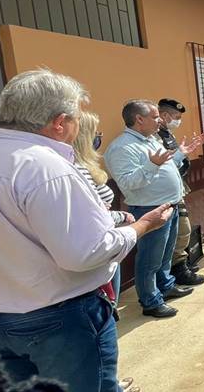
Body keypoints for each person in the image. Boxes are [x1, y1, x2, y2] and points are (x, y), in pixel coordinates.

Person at [0, 70, 173, 390]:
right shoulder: (47, 168)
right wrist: (142, 226)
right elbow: (85, 252)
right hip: (60, 320)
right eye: (77, 115)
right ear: (60, 122)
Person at [105, 100, 202, 317]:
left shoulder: (150, 140)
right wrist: (153, 165)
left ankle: (165, 286)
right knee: (150, 258)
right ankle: (150, 301)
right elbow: (128, 182)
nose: (161, 120)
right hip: (150, 210)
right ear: (139, 119)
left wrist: (179, 155)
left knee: (165, 253)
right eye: (156, 116)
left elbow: (164, 166)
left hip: (170, 204)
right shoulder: (122, 147)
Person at [71, 112, 135, 297]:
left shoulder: (86, 165)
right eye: (95, 133)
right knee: (106, 301)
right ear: (83, 137)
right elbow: (91, 213)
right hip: (97, 245)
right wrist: (122, 216)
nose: (99, 137)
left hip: (106, 242)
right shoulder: (77, 169)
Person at [157, 99, 204, 286]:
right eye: (176, 117)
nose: (178, 121)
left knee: (181, 230)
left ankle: (180, 266)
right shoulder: (156, 136)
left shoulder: (167, 133)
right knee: (180, 231)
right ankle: (178, 269)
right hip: (165, 193)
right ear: (165, 115)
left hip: (177, 187)